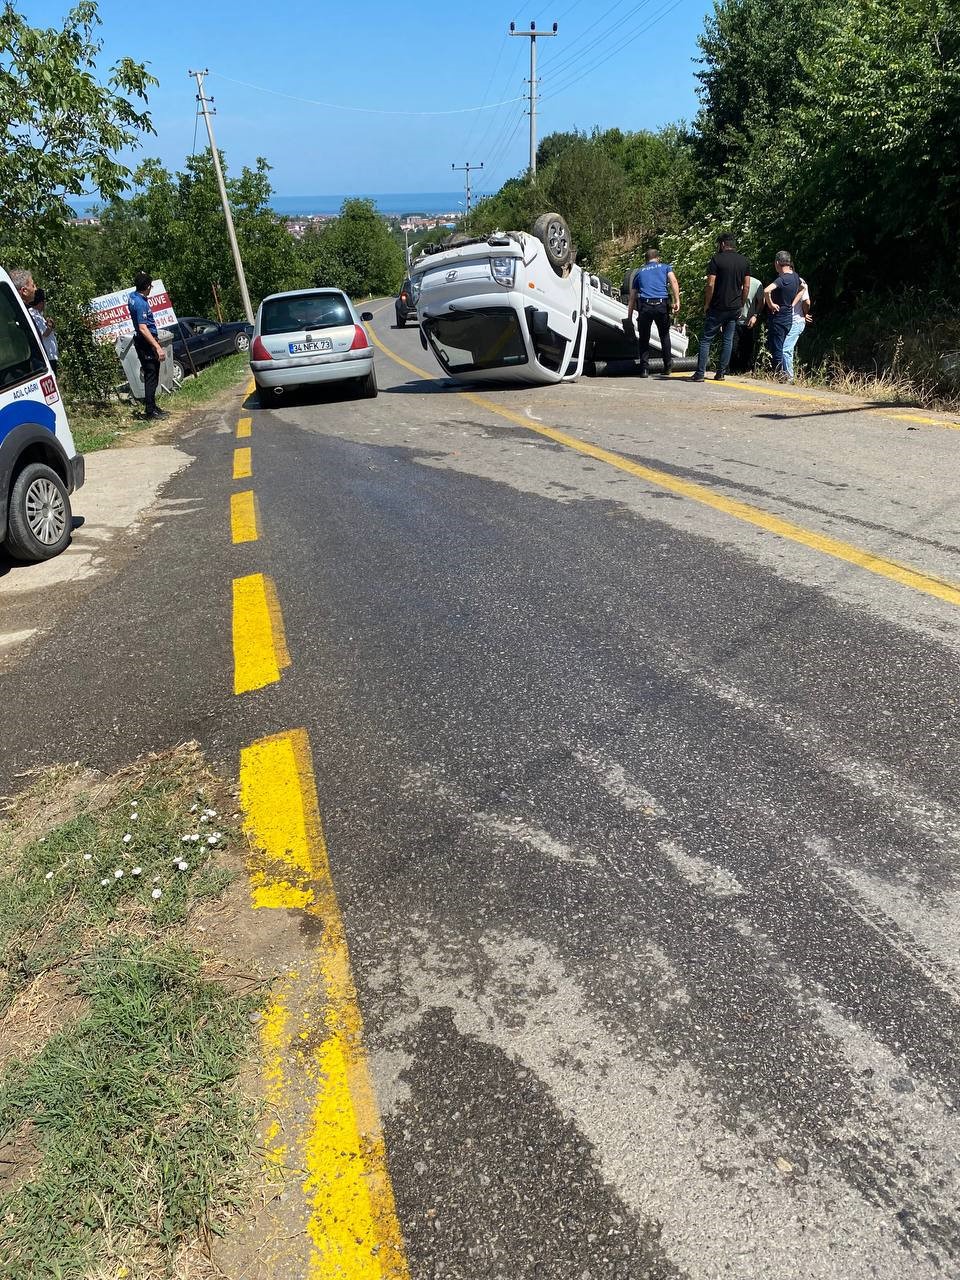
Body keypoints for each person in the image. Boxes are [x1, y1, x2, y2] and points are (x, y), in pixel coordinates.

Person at [690, 233, 751, 382]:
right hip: (734, 307)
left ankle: (699, 373)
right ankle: (721, 373)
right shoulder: (744, 261)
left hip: (717, 306)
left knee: (706, 339)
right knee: (728, 339)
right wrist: (741, 303)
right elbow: (747, 285)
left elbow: (710, 284)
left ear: (723, 244)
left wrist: (707, 304)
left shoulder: (716, 260)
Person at [625, 247, 681, 378]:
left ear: (646, 260)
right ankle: (667, 367)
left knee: (644, 338)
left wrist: (628, 316)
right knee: (664, 335)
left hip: (645, 307)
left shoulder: (639, 272)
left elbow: (632, 297)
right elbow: (673, 281)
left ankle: (644, 369)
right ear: (658, 258)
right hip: (661, 305)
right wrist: (677, 300)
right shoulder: (665, 267)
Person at [128, 271, 166, 419]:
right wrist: (157, 347)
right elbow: (143, 328)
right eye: (150, 285)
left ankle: (153, 406)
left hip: (143, 340)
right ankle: (150, 411)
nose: (151, 288)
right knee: (151, 375)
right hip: (146, 342)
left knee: (153, 374)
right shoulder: (140, 303)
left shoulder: (133, 297)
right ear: (146, 286)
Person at [763, 251, 806, 380]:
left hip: (778, 317)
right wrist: (793, 303)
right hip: (788, 316)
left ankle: (779, 375)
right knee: (783, 345)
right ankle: (784, 374)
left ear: (777, 263)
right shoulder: (795, 277)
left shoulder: (781, 279)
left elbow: (766, 290)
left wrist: (770, 304)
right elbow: (803, 288)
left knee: (777, 346)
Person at [30, 288, 58, 374]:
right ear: (41, 303)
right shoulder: (33, 315)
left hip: (51, 355)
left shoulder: (38, 314)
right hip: (47, 356)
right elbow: (44, 334)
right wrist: (49, 326)